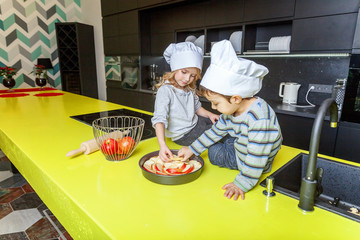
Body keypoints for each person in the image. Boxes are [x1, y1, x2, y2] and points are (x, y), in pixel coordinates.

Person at [178, 40, 283, 201]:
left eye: (216, 103)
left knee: (213, 152)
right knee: (219, 140)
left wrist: (242, 183)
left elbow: (256, 157)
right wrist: (192, 149)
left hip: (253, 162)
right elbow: (214, 132)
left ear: (235, 98)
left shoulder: (259, 119)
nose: (213, 107)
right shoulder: (232, 109)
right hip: (242, 147)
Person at [151, 42, 219, 162]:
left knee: (222, 123)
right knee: (218, 135)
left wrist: (210, 115)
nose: (188, 79)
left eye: (193, 75)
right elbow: (159, 120)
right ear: (175, 69)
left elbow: (197, 108)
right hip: (184, 135)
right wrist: (162, 146)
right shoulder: (166, 91)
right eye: (184, 72)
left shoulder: (189, 88)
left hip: (196, 123)